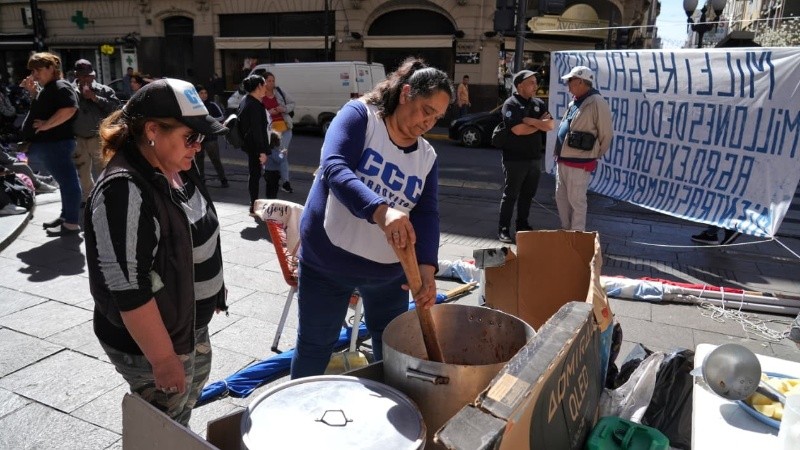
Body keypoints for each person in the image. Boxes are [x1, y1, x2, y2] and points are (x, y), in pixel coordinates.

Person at [291, 57, 453, 379]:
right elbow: (334, 168)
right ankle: (294, 414)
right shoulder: (359, 117)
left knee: (390, 348)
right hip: (328, 262)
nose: (428, 122)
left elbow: (426, 211)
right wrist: (380, 210)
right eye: (426, 110)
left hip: (389, 273)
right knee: (315, 345)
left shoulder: (427, 157)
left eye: (437, 117)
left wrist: (427, 266)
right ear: (406, 93)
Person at [83, 78, 228, 426]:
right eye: (190, 137)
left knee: (182, 409)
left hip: (185, 324)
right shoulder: (124, 189)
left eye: (202, 137)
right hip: (154, 343)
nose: (198, 147)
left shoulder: (174, 165)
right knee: (163, 425)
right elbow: (128, 287)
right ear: (152, 130)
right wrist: (163, 360)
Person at [19, 52, 81, 236]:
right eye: (32, 71)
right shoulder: (49, 88)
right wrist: (33, 93)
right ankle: (66, 217)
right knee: (64, 182)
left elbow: (70, 109)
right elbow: (46, 108)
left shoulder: (61, 86)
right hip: (52, 144)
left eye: (37, 70)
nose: (34, 75)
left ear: (51, 68)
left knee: (68, 182)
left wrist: (46, 125)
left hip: (57, 143)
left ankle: (71, 223)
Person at [497, 70, 554, 243]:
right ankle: (504, 229)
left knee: (528, 195)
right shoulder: (511, 104)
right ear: (520, 85)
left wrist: (530, 121)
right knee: (511, 195)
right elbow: (518, 130)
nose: (536, 86)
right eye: (532, 82)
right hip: (514, 159)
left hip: (534, 157)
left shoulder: (538, 103)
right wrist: (539, 124)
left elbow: (550, 125)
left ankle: (522, 224)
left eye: (536, 82)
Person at [554, 65, 613, 231]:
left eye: (570, 81)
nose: (568, 85)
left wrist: (594, 154)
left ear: (580, 82)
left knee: (577, 201)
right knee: (561, 197)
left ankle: (577, 234)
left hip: (580, 162)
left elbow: (606, 134)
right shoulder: (574, 101)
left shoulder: (597, 102)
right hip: (563, 159)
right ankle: (566, 229)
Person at [71, 59, 121, 205]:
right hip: (78, 137)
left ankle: (105, 197)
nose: (87, 79)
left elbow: (116, 110)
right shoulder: (70, 91)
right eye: (84, 76)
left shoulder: (104, 90)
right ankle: (88, 198)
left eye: (90, 76)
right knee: (83, 171)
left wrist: (95, 98)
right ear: (77, 76)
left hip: (98, 137)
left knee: (103, 169)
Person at [237, 74, 271, 216]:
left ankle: (254, 205)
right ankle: (254, 206)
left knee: (254, 174)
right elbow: (257, 131)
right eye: (264, 85)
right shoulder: (254, 105)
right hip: (255, 147)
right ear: (258, 87)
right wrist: (262, 152)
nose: (266, 87)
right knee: (255, 175)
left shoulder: (246, 101)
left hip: (249, 145)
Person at [259, 71, 295, 193]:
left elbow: (292, 103)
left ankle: (285, 182)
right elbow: (258, 114)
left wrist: (283, 109)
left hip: (285, 129)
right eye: (269, 81)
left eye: (273, 80)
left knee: (282, 155)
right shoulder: (259, 95)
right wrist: (270, 112)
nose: (272, 83)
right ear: (263, 82)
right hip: (270, 131)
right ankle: (271, 174)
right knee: (272, 154)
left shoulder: (279, 92)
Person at [195, 85, 228, 187]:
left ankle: (223, 179)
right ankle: (201, 180)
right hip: (197, 137)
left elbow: (221, 116)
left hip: (210, 138)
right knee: (198, 160)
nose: (204, 95)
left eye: (205, 93)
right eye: (201, 93)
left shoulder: (212, 105)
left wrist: (209, 119)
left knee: (215, 159)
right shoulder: (193, 106)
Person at [262, 129, 283, 199]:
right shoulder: (273, 151)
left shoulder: (266, 150)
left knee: (268, 187)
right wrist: (282, 154)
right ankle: (272, 199)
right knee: (274, 188)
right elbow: (279, 160)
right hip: (274, 172)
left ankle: (268, 198)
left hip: (266, 171)